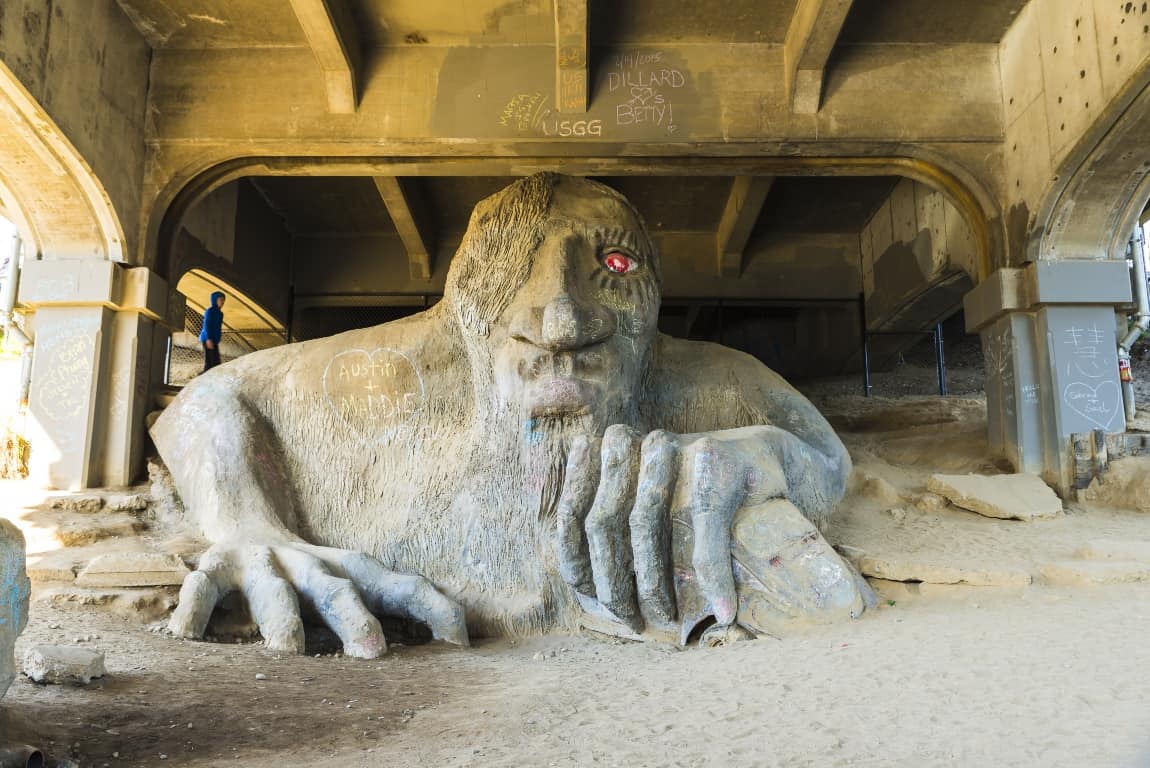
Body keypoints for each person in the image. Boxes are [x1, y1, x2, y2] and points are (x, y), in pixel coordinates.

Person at [152, 174, 863, 658]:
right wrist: (246, 525)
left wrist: (766, 456)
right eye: (508, 267)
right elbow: (207, 399)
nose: (560, 319)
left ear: (653, 304)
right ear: (461, 309)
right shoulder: (406, 368)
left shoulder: (703, 379)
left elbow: (825, 454)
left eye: (614, 266)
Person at [199, 291, 225, 372]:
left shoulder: (220, 313)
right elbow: (207, 326)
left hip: (214, 340)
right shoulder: (210, 311)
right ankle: (202, 380)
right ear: (215, 300)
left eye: (223, 300)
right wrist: (208, 339)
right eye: (220, 299)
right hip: (208, 339)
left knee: (216, 362)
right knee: (210, 363)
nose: (222, 302)